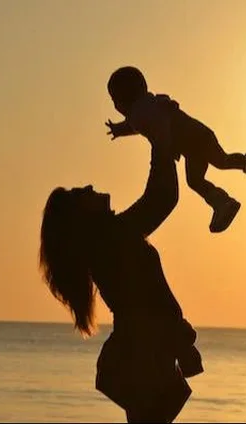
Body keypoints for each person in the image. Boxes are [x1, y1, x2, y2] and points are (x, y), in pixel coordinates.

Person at [38, 132, 203, 423]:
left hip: (142, 347)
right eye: (81, 194)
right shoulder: (113, 237)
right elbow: (161, 198)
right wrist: (159, 139)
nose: (90, 187)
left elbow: (160, 199)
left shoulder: (111, 237)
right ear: (82, 217)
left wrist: (161, 145)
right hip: (145, 350)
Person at [105, 66, 246, 234]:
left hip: (196, 138)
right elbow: (141, 123)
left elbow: (156, 124)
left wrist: (162, 149)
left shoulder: (140, 112)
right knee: (205, 173)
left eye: (114, 99)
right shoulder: (146, 107)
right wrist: (120, 130)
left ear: (123, 98)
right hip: (193, 143)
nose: (115, 106)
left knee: (218, 164)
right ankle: (224, 200)